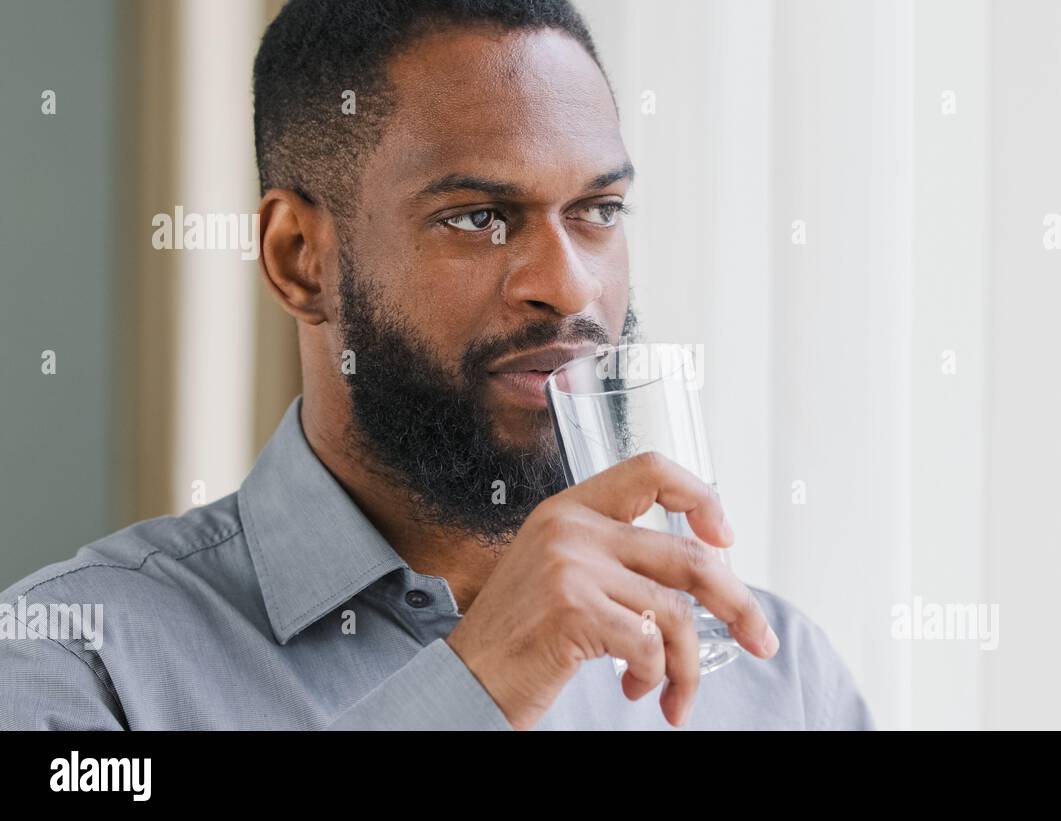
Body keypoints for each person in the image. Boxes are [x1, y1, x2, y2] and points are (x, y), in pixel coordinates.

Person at [0, 0, 872, 730]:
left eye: (598, 209)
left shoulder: (778, 680)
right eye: (478, 217)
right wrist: (477, 686)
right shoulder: (77, 659)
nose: (566, 286)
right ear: (300, 256)